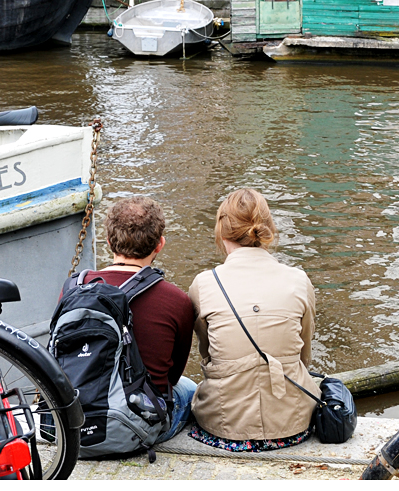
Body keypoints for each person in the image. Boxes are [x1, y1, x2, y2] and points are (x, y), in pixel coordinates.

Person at [187, 188, 319, 452]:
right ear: (267, 229)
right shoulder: (298, 280)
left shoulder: (204, 283)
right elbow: (304, 355)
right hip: (292, 426)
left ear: (222, 232)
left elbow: (207, 354)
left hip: (223, 427)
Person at [79, 196, 196, 443]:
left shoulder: (75, 288)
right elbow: (172, 378)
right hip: (139, 425)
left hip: (79, 421)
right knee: (190, 388)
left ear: (109, 242)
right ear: (160, 244)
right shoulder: (177, 300)